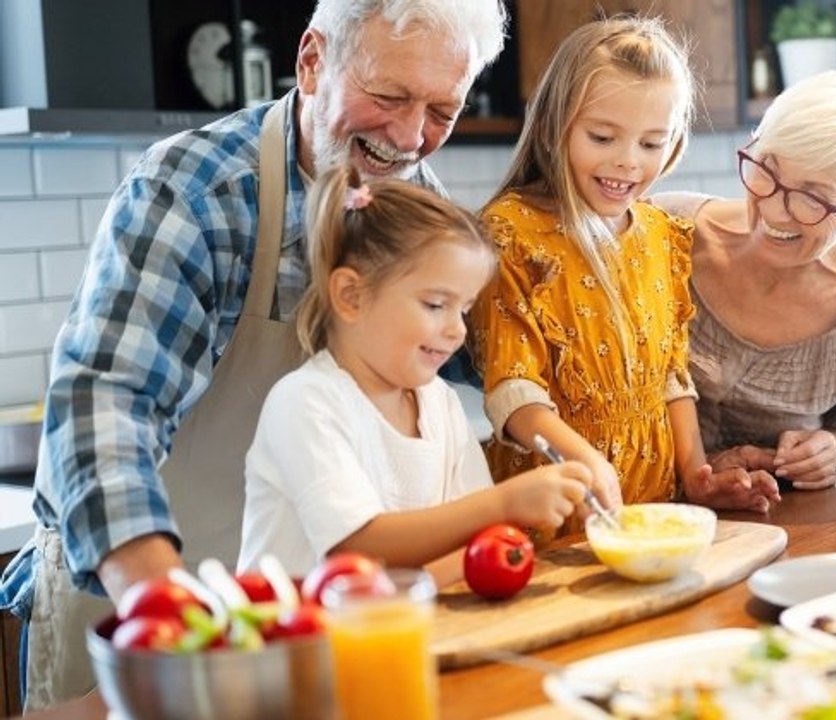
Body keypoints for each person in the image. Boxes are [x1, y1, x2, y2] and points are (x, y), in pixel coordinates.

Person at [0, 0, 508, 709]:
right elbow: (104, 407)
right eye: (388, 96)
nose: (409, 135)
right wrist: (169, 621)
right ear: (310, 62)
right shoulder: (196, 190)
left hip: (302, 620)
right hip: (149, 595)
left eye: (441, 111)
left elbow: (469, 360)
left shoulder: (413, 204)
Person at [469, 15, 781, 538]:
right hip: (555, 522)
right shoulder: (511, 231)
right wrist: (588, 462)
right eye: (603, 136)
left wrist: (696, 476)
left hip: (654, 514)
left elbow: (669, 377)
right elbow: (513, 393)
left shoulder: (663, 234)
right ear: (554, 123)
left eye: (651, 143)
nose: (627, 162)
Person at [238, 167, 590, 586]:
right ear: (351, 295)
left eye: (464, 309)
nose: (458, 330)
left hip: (395, 629)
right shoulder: (304, 402)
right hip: (296, 644)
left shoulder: (438, 402)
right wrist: (506, 503)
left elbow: (464, 546)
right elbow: (354, 550)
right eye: (436, 305)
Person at [652, 69, 836, 492]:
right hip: (637, 520)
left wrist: (833, 449)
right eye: (767, 168)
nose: (776, 211)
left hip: (786, 533)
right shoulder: (663, 231)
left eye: (812, 197)